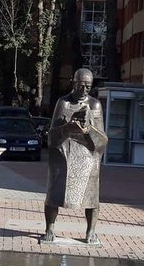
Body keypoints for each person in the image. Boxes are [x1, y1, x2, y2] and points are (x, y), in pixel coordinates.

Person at [43, 68, 108, 244]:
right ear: (73, 83)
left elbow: (102, 140)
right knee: (54, 193)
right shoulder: (63, 103)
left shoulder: (95, 105)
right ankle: (49, 228)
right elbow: (52, 136)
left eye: (88, 86)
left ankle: (91, 231)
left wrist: (88, 129)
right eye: (81, 85)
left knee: (92, 197)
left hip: (88, 155)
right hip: (64, 153)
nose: (84, 90)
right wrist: (68, 127)